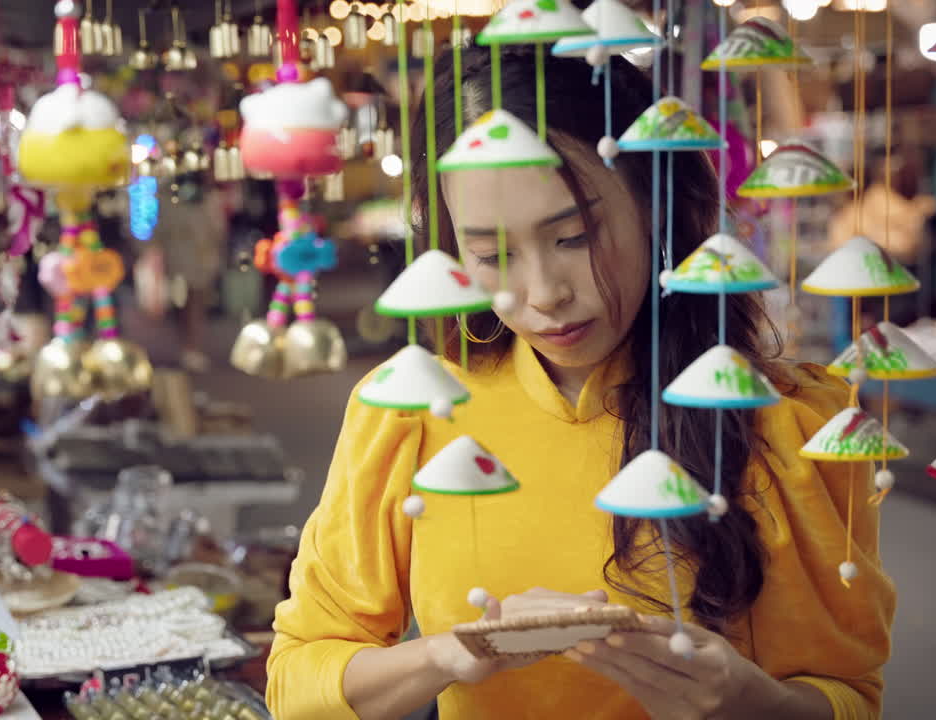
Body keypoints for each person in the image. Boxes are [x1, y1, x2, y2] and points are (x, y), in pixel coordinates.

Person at [266, 47, 894, 720]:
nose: (543, 295)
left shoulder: (778, 420)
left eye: (574, 237)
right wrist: (449, 654)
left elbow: (847, 695)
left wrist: (752, 702)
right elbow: (297, 681)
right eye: (492, 255)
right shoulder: (409, 411)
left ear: (655, 205)